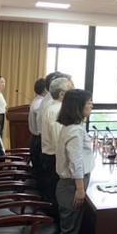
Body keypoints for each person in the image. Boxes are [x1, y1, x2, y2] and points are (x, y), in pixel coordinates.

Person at [54, 89, 94, 234]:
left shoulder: (71, 127)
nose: (91, 106)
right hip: (71, 187)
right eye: (89, 103)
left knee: (73, 231)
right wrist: (79, 188)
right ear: (78, 107)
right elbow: (76, 162)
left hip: (70, 185)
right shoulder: (75, 131)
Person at [40, 76, 74, 214]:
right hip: (54, 159)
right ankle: (54, 224)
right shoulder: (57, 111)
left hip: (52, 158)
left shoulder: (55, 107)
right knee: (56, 198)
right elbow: (58, 141)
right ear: (62, 94)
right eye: (71, 89)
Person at [28, 78, 46, 175]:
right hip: (39, 140)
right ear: (45, 89)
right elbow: (41, 127)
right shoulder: (40, 104)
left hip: (36, 139)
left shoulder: (37, 100)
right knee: (40, 172)